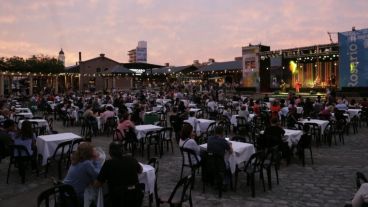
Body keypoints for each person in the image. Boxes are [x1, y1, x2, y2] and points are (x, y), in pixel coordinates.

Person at [95, 142, 143, 207]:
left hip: (118, 198)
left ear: (110, 153)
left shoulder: (108, 163)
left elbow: (98, 183)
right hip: (134, 195)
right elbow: (140, 170)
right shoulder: (131, 159)